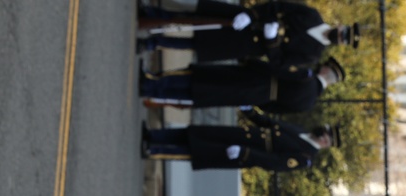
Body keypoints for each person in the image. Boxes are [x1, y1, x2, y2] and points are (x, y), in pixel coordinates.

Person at [138, 0, 361, 72]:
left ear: (341, 44)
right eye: (343, 32)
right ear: (341, 26)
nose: (339, 36)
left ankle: (153, 42)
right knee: (200, 16)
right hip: (249, 21)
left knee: (195, 43)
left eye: (343, 39)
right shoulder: (312, 16)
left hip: (249, 44)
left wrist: (272, 41)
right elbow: (277, 5)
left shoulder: (313, 55)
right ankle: (156, 15)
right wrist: (252, 14)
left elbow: (279, 61)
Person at [139, 56, 344, 113]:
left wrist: (251, 62)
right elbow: (274, 110)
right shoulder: (308, 104)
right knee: (200, 95)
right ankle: (155, 92)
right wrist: (258, 101)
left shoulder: (307, 75)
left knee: (199, 76)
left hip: (253, 79)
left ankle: (153, 82)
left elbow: (276, 70)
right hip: (255, 96)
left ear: (325, 71)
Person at [141, 114, 340, 171]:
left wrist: (246, 153)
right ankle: (155, 135)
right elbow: (274, 124)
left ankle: (154, 150)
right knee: (196, 133)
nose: (323, 136)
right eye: (326, 132)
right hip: (243, 135)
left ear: (326, 143)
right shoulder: (302, 132)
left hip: (245, 150)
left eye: (327, 138)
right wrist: (252, 113)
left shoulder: (305, 157)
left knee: (197, 151)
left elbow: (274, 162)